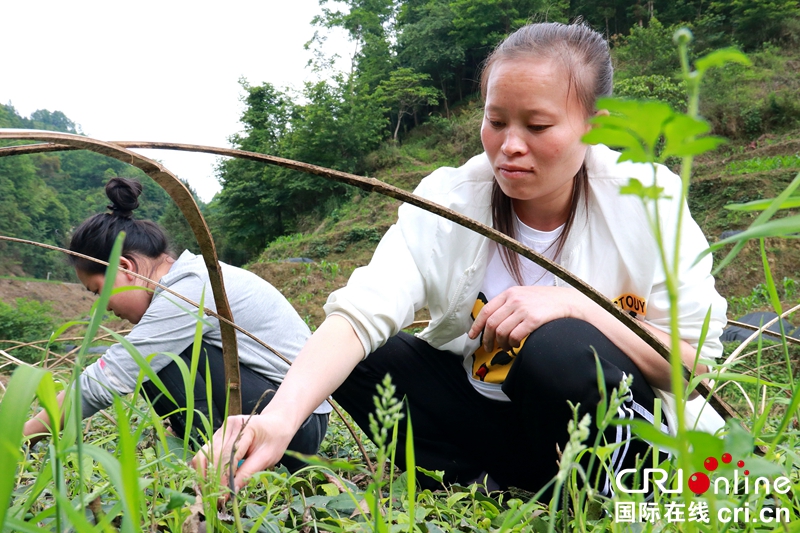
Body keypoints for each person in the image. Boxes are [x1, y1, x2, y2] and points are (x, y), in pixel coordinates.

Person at [194, 21, 727, 494]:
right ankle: (489, 484)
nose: (509, 146)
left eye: (537, 127)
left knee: (557, 347)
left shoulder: (647, 202)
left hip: (613, 432)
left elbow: (694, 361)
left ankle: (617, 490)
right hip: (496, 422)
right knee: (369, 360)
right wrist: (280, 419)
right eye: (496, 121)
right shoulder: (452, 200)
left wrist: (580, 308)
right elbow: (361, 312)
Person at [22, 177, 330, 470]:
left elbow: (108, 378)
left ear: (126, 267)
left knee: (154, 359)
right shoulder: (189, 280)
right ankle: (213, 455)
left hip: (294, 425)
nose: (105, 309)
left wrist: (22, 436)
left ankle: (216, 467)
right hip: (288, 415)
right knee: (150, 355)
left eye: (100, 292)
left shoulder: (188, 288)